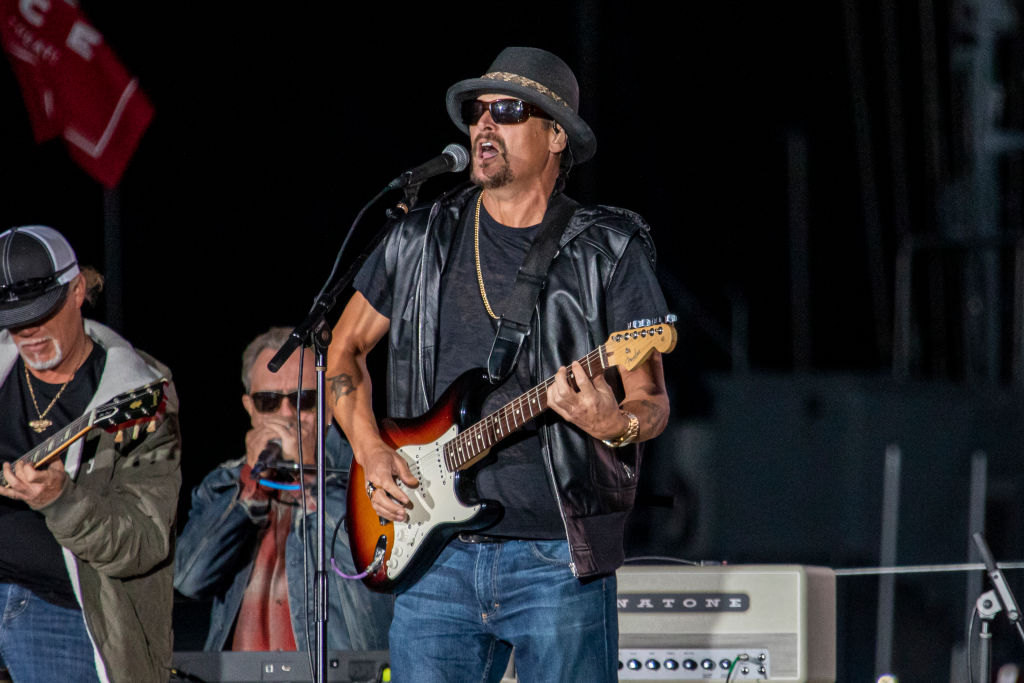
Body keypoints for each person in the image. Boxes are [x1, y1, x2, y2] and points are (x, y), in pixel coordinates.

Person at [325, 46, 671, 682]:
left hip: (555, 558)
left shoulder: (607, 249)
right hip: (434, 553)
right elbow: (342, 350)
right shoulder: (418, 238)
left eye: (508, 111)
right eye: (478, 111)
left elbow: (649, 399)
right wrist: (372, 451)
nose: (485, 125)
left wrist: (612, 424)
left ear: (557, 134)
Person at [0, 225, 182, 683]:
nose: (29, 331)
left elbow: (143, 543)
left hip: (63, 609)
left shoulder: (136, 393)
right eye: (15, 318)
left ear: (78, 289)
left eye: (42, 312)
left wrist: (62, 501)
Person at [174, 327, 392, 652]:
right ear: (250, 408)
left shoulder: (366, 477)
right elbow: (189, 579)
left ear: (328, 406)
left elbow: (367, 566)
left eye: (302, 400)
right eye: (268, 402)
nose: (286, 415)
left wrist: (308, 479)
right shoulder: (226, 484)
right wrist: (250, 490)